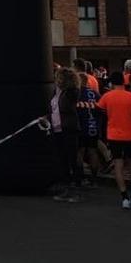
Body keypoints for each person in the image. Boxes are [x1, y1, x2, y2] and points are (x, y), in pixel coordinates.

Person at [96, 72, 131, 210]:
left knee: (118, 164)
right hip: (130, 134)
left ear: (112, 83)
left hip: (113, 135)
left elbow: (98, 110)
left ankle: (124, 197)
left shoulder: (107, 96)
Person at [51, 68, 82, 203]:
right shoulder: (57, 93)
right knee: (62, 159)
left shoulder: (71, 92)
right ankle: (66, 187)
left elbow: (66, 108)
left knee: (71, 158)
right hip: (58, 128)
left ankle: (75, 189)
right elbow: (55, 109)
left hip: (68, 128)